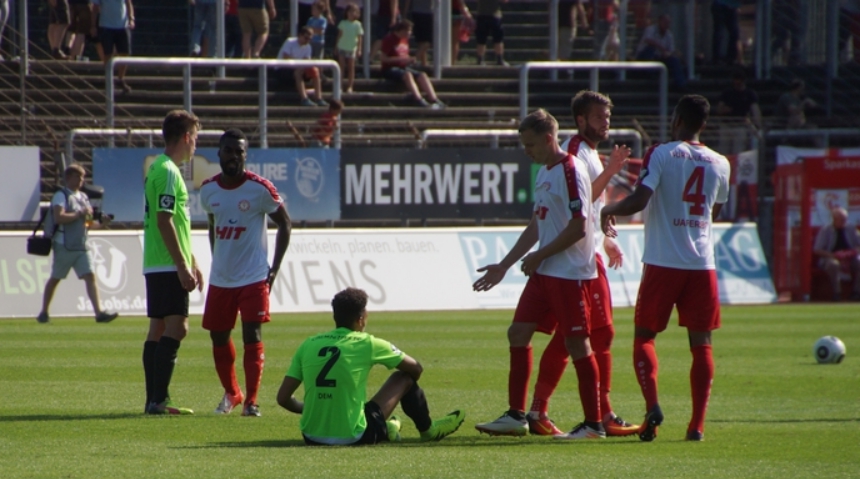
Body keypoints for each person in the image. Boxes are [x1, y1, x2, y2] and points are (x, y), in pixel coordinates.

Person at [600, 95, 731, 442]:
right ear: (703, 124)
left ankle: (653, 406)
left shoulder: (661, 153)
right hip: (702, 264)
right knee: (701, 343)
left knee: (645, 336)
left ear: (676, 119)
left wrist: (606, 210)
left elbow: (640, 200)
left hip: (662, 262)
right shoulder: (721, 163)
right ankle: (697, 426)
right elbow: (714, 213)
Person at [473, 109, 605, 440]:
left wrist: (540, 255)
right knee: (518, 333)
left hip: (570, 273)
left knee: (577, 343)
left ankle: (594, 425)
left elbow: (580, 227)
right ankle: (517, 416)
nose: (527, 151)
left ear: (549, 138)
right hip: (545, 272)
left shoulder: (571, 170)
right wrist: (504, 264)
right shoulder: (544, 172)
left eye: (531, 144)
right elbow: (537, 225)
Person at [526, 91, 639, 438]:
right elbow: (584, 201)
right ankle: (596, 415)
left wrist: (605, 236)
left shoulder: (587, 151)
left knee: (585, 335)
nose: (606, 123)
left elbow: (591, 209)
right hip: (575, 262)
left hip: (586, 255)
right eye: (599, 117)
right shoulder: (574, 153)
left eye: (607, 117)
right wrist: (611, 171)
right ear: (580, 120)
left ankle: (544, 410)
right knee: (587, 335)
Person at [276, 287, 467, 445]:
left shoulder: (308, 344)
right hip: (355, 437)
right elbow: (416, 368)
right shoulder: (367, 343)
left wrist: (317, 408)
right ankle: (428, 431)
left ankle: (388, 427)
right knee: (403, 377)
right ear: (360, 319)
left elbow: (283, 398)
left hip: (311, 437)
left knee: (359, 407)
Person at [199, 128, 293, 418]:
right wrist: (218, 259)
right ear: (219, 153)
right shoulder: (208, 190)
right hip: (221, 278)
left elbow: (286, 224)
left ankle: (252, 401)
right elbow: (213, 225)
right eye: (228, 150)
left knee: (252, 334)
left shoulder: (260, 188)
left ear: (245, 155)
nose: (233, 156)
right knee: (218, 336)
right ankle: (232, 393)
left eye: (239, 151)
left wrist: (274, 270)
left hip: (253, 277)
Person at [141, 110, 205, 415]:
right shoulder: (167, 171)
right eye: (196, 139)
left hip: (157, 260)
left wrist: (190, 259)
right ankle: (159, 399)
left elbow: (174, 222)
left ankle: (153, 399)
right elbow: (164, 219)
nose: (196, 147)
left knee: (159, 328)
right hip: (166, 263)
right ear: (187, 137)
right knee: (178, 327)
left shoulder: (160, 167)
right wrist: (181, 264)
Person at [36, 164, 120, 324]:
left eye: (82, 177)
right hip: (64, 244)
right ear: (68, 178)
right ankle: (44, 311)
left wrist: (102, 223)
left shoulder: (83, 197)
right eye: (77, 177)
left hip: (82, 245)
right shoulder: (61, 196)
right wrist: (79, 213)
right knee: (56, 278)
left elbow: (88, 224)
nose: (81, 180)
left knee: (90, 276)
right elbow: (59, 217)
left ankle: (99, 312)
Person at [381, 19, 445, 109]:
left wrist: (410, 60)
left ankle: (433, 99)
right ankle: (418, 99)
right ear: (402, 30)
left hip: (403, 67)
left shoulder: (404, 40)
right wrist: (400, 59)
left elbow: (404, 54)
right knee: (408, 74)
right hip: (390, 68)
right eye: (408, 31)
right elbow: (383, 59)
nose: (410, 33)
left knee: (422, 75)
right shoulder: (389, 39)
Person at [813, 207, 860, 301]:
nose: (844, 222)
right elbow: (817, 249)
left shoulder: (851, 229)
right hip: (831, 256)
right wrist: (834, 256)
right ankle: (836, 293)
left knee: (859, 262)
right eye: (842, 220)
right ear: (834, 219)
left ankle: (856, 292)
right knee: (833, 265)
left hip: (850, 257)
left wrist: (850, 253)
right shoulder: (826, 230)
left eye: (845, 219)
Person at [715, 67, 761, 155]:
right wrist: (726, 110)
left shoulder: (749, 94)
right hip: (726, 126)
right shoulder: (727, 93)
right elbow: (719, 109)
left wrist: (758, 124)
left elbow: (755, 110)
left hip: (740, 126)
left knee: (738, 153)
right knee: (723, 154)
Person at [92, 0, 135, 93]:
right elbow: (95, 8)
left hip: (123, 26)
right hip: (106, 26)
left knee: (125, 53)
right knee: (107, 54)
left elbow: (128, 3)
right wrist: (93, 26)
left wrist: (131, 18)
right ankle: (108, 79)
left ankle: (120, 78)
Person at [277, 26, 327, 106]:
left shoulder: (308, 47)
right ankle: (304, 99)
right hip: (283, 69)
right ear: (300, 35)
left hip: (298, 69)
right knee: (298, 71)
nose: (307, 41)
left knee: (315, 71)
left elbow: (306, 61)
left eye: (309, 39)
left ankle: (318, 98)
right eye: (306, 38)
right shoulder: (290, 42)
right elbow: (286, 57)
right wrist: (300, 64)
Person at [635, 13, 686, 90]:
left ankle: (680, 84)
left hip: (659, 57)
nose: (666, 25)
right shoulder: (650, 29)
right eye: (665, 22)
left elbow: (670, 50)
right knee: (651, 49)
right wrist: (662, 48)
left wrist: (670, 54)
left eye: (668, 23)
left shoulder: (669, 35)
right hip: (644, 57)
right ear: (659, 22)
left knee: (675, 60)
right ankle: (650, 76)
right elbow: (648, 40)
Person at [336, 1, 362, 92]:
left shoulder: (358, 24)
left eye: (354, 11)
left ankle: (350, 86)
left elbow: (359, 38)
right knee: (341, 67)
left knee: (351, 68)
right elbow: (339, 35)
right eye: (350, 11)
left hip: (351, 48)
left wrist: (359, 49)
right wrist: (336, 47)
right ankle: (339, 86)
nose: (351, 13)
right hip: (342, 46)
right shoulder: (343, 23)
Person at [475, 0, 509, 66]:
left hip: (483, 15)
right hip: (493, 15)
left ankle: (481, 60)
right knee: (496, 39)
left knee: (482, 40)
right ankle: (499, 59)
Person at [711, 0, 741, 66]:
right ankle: (717, 59)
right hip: (720, 5)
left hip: (731, 7)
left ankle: (730, 59)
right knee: (719, 33)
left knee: (734, 33)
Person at [403, 0, 431, 67]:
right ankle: (414, 59)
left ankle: (424, 63)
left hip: (417, 12)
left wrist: (405, 11)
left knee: (421, 40)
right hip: (428, 13)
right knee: (428, 40)